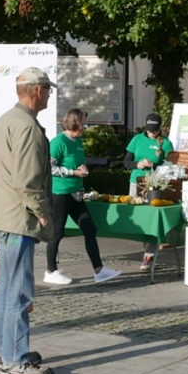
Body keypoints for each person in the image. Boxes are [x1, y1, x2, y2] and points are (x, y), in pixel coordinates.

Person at [0, 67, 55, 374]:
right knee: (19, 292)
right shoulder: (26, 126)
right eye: (48, 89)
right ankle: (16, 360)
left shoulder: (8, 120)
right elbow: (27, 179)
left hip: (6, 215)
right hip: (19, 217)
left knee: (9, 291)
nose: (49, 94)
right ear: (36, 90)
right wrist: (42, 212)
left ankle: (7, 352)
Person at [43, 109, 123, 286]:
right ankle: (50, 270)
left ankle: (99, 270)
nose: (85, 127)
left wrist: (83, 168)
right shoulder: (58, 142)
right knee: (57, 232)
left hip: (76, 193)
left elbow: (78, 162)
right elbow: (49, 167)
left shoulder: (78, 141)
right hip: (60, 193)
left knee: (89, 228)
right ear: (74, 123)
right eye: (84, 124)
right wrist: (73, 172)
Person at [123, 112, 173, 271]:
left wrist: (154, 165)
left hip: (155, 185)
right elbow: (126, 162)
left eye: (154, 130)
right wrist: (137, 164)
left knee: (151, 219)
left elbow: (171, 167)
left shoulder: (165, 143)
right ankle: (149, 249)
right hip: (136, 183)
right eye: (149, 129)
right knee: (139, 219)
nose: (151, 132)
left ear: (160, 128)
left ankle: (149, 255)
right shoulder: (137, 139)